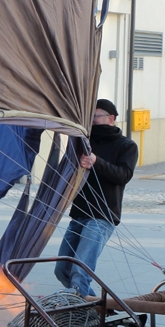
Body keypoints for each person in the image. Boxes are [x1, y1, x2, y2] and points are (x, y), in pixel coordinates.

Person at [55, 99, 138, 298]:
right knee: (62, 270)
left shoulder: (127, 145)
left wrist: (96, 161)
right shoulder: (85, 141)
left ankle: (81, 315)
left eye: (95, 116)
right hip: (79, 213)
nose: (91, 121)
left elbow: (123, 175)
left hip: (102, 216)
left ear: (111, 118)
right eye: (89, 117)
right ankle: (98, 309)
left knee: (80, 271)